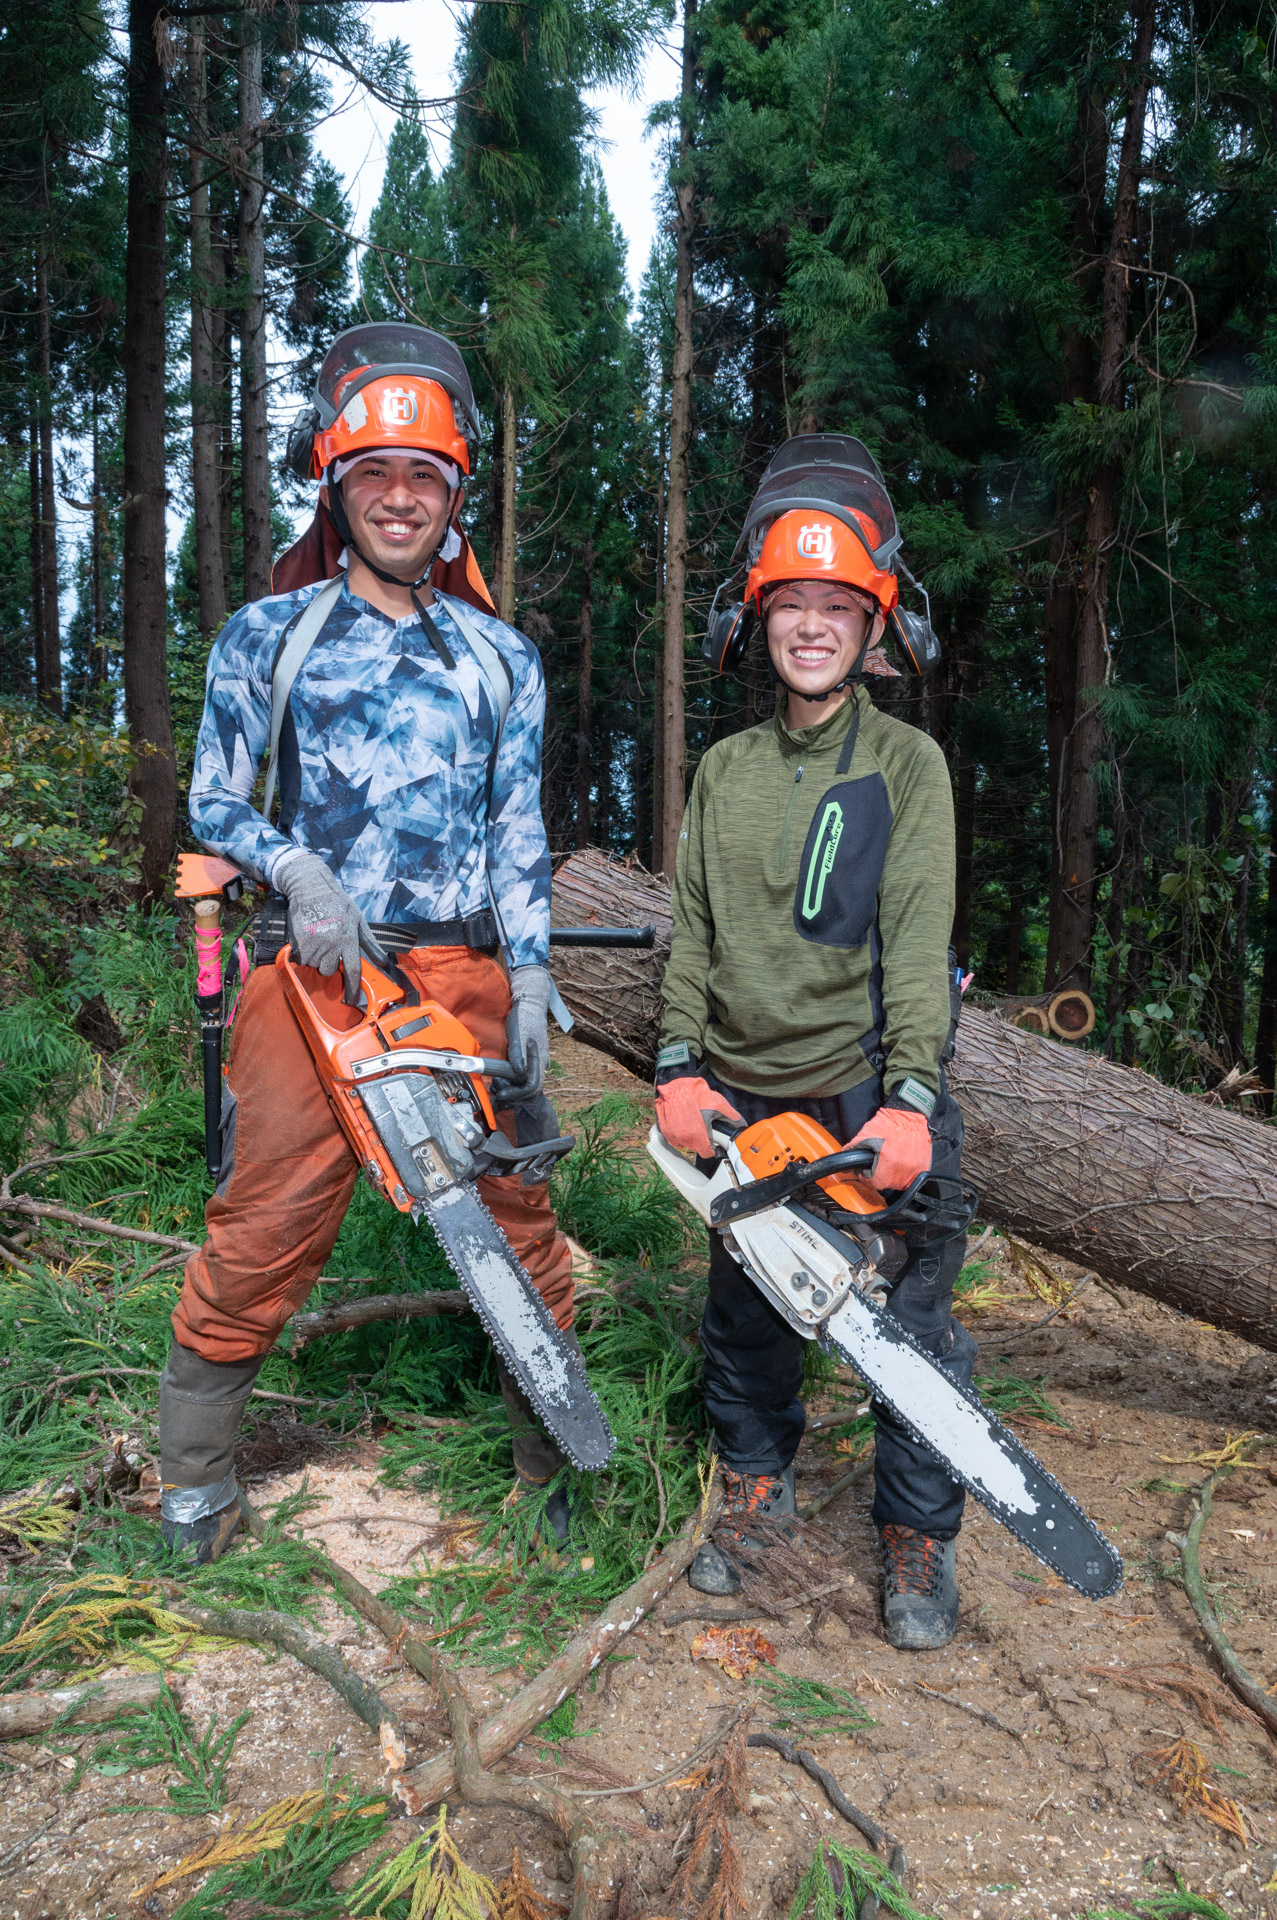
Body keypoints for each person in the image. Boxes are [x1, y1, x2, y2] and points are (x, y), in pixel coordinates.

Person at [160, 324, 576, 1564]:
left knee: (514, 1220)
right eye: (374, 474)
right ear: (336, 487)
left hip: (462, 971)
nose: (399, 497)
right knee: (265, 1218)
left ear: (453, 496)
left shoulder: (500, 656)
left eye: (423, 476)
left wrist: (531, 969)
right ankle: (194, 1489)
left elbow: (517, 828)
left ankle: (550, 1470)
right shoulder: (269, 635)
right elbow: (213, 798)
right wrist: (292, 868)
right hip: (313, 978)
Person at [654, 436, 974, 1651]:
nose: (809, 626)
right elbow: (689, 934)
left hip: (863, 1091)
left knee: (911, 1331)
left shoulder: (905, 763)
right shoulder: (723, 771)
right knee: (746, 1319)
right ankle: (754, 1487)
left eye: (835, 605)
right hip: (745, 1098)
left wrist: (908, 1098)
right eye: (789, 601)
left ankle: (916, 1535)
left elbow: (916, 944)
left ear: (873, 622)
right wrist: (676, 1066)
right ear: (755, 616)